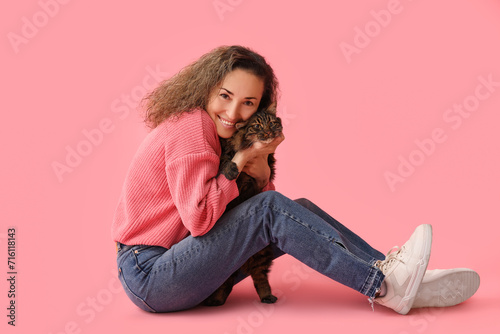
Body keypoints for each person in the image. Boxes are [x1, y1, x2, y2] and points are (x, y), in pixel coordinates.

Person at [111, 45, 479, 314]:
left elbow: (265, 217)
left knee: (295, 208)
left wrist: (262, 171)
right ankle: (383, 284)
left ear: (260, 106)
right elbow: (201, 220)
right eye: (224, 96)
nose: (233, 112)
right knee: (274, 209)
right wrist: (242, 160)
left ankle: (389, 272)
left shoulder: (214, 133)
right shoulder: (191, 128)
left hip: (177, 266)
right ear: (205, 88)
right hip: (151, 274)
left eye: (248, 103)